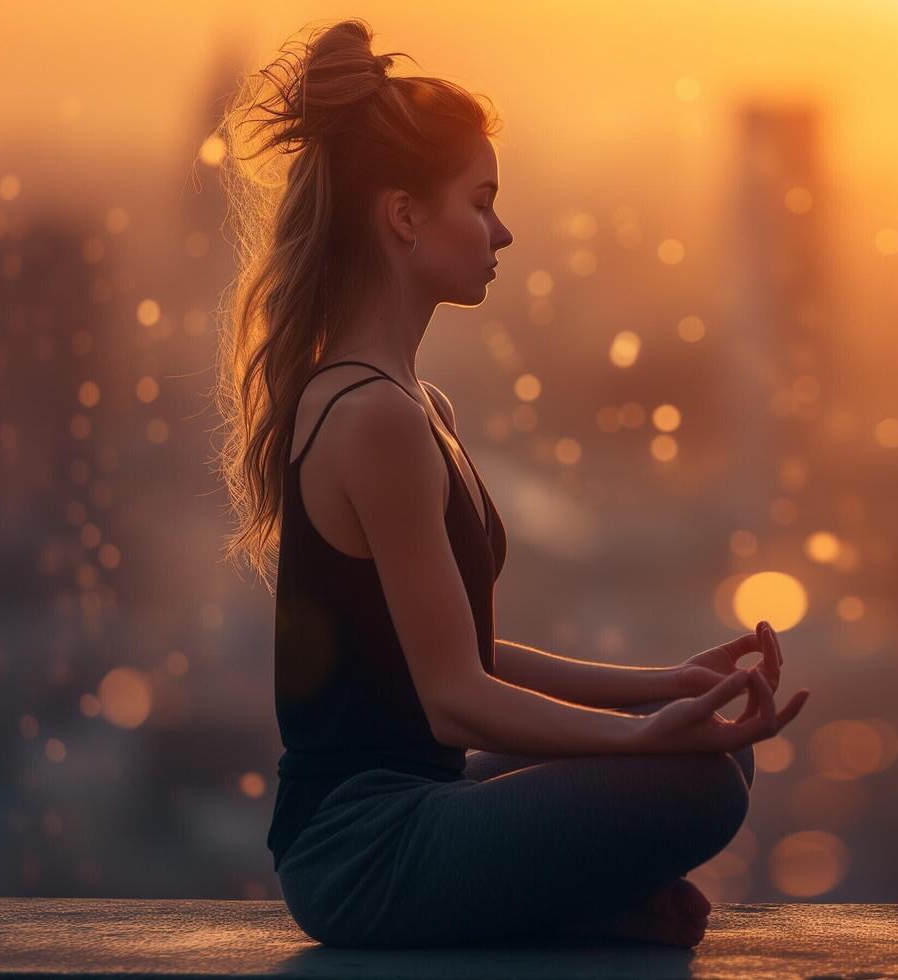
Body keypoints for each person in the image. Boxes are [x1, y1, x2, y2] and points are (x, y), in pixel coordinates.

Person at [211, 17, 810, 950]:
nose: (503, 231)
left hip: (419, 806)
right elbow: (456, 699)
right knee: (692, 777)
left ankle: (586, 908)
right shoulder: (376, 420)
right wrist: (648, 740)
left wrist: (660, 689)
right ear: (405, 216)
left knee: (708, 757)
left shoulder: (414, 405)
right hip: (361, 851)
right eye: (480, 201)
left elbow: (468, 654)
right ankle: (586, 910)